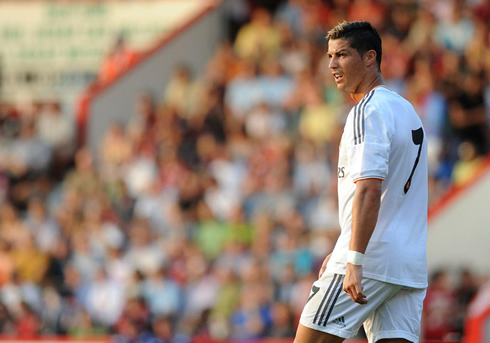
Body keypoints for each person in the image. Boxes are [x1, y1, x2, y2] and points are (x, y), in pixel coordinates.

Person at [295, 21, 428, 343]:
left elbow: (370, 189)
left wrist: (353, 257)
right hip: (407, 263)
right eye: (329, 56)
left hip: (370, 258)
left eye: (342, 55)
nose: (332, 65)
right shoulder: (405, 109)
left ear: (370, 58)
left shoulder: (367, 111)